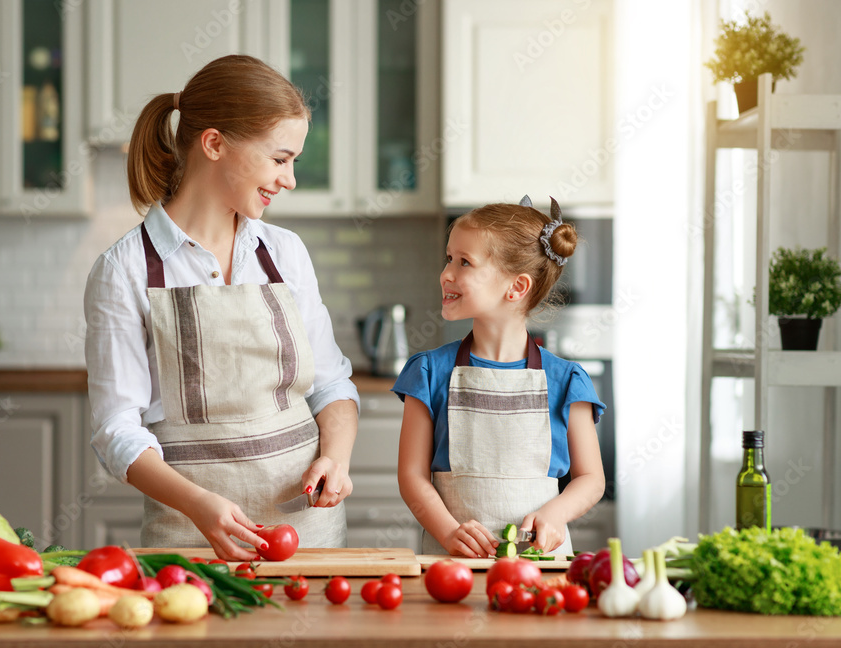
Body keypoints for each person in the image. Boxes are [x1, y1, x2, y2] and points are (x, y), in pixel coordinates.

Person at [84, 55, 359, 561]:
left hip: (310, 538)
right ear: (214, 144)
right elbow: (115, 429)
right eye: (280, 159)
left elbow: (332, 385)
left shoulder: (285, 252)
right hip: (191, 540)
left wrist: (336, 460)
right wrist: (198, 504)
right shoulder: (124, 269)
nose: (290, 179)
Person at [394, 196, 606, 557]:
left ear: (517, 287)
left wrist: (555, 514)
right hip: (453, 563)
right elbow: (411, 477)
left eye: (464, 263)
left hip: (538, 565)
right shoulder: (428, 372)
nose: (446, 274)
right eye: (449, 259)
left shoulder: (567, 380)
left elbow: (591, 479)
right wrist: (448, 534)